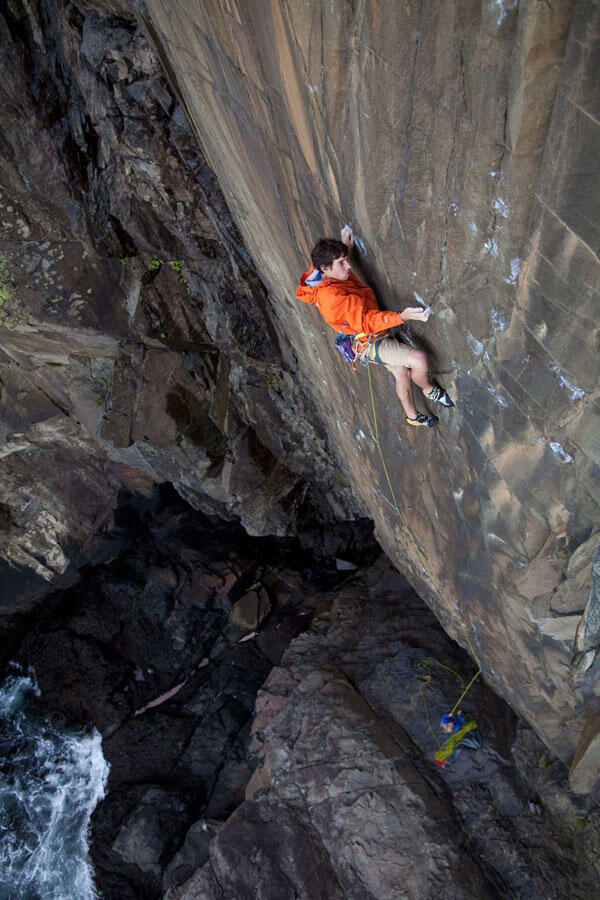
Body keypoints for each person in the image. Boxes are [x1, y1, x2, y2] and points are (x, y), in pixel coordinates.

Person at [296, 230, 454, 427]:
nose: (349, 266)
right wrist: (402, 316)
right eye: (342, 263)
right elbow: (367, 322)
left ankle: (413, 417)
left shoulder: (319, 275)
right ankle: (429, 389)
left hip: (363, 336)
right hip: (370, 341)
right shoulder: (333, 299)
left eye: (346, 260)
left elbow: (322, 261)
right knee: (418, 360)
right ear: (325, 269)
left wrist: (346, 248)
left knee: (401, 373)